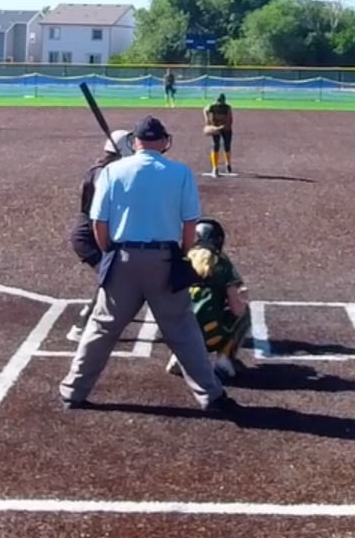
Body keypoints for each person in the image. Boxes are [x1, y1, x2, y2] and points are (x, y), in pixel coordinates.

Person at [59, 116, 241, 417]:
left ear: (136, 142)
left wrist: (109, 253)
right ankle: (211, 395)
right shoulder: (180, 173)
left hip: (122, 258)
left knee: (101, 328)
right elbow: (190, 224)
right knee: (183, 331)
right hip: (165, 260)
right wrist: (182, 256)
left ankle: (73, 391)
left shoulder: (112, 171)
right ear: (164, 141)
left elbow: (98, 223)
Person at [66, 129, 134, 341]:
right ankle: (83, 325)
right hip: (88, 236)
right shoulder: (103, 173)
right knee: (112, 277)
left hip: (93, 232)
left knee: (113, 276)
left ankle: (94, 317)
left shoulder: (105, 169)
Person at [166, 217, 251, 383]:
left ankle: (178, 355)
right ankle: (225, 360)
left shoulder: (180, 260)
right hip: (209, 338)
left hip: (178, 334)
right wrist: (241, 297)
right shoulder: (222, 263)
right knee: (243, 312)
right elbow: (236, 309)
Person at [203, 93, 235, 176]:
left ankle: (227, 163)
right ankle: (215, 167)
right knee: (215, 146)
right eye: (218, 101)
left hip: (226, 128)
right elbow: (205, 110)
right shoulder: (212, 106)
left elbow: (230, 120)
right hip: (215, 128)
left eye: (221, 101)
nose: (219, 103)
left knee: (227, 146)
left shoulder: (227, 108)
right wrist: (207, 120)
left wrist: (223, 127)